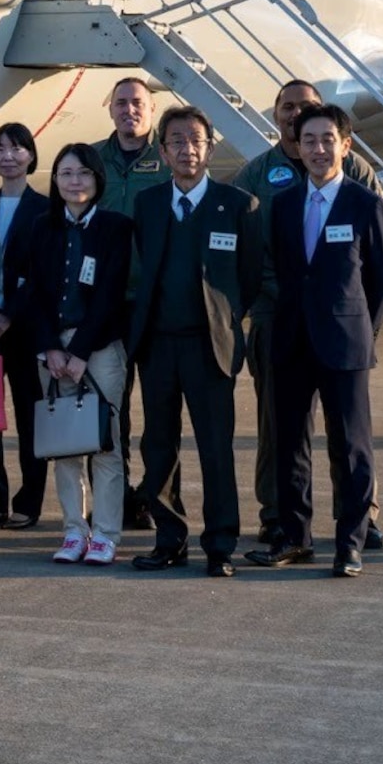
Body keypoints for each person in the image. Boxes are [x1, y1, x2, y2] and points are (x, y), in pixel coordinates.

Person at [232, 78, 383, 548]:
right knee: (285, 438)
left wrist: (360, 326)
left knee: (349, 439)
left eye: (324, 136)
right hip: (282, 327)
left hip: (341, 333)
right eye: (307, 138)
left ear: (341, 139)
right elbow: (252, 252)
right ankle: (286, 527)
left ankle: (354, 531)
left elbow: (380, 276)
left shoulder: (361, 187)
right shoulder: (269, 188)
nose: (316, 147)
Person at [127, 105, 263, 577]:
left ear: (210, 147)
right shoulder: (147, 204)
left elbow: (248, 278)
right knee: (159, 447)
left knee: (215, 449)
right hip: (158, 346)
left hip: (212, 349)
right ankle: (170, 539)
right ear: (162, 151)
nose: (187, 149)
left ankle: (221, 544)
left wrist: (226, 320)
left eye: (196, 140)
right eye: (177, 141)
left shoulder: (238, 205)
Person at [13, 143, 136, 566]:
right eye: (65, 173)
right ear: (55, 180)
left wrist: (80, 351)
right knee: (63, 445)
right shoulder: (40, 226)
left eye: (83, 173)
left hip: (99, 350)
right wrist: (50, 347)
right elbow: (32, 293)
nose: (74, 181)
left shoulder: (116, 227)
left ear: (97, 178)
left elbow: (110, 296)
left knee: (105, 444)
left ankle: (105, 533)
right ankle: (73, 530)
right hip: (52, 351)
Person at [92, 77, 174, 531]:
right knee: (108, 411)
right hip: (106, 305)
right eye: (120, 102)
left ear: (152, 107)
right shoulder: (93, 160)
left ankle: (161, 502)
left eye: (137, 103)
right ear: (110, 109)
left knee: (161, 412)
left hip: (156, 303)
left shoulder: (166, 157)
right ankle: (114, 501)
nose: (129, 110)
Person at [0, 122, 51, 529]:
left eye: (17, 147)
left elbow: (43, 276)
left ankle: (28, 502)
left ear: (31, 156)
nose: (7, 155)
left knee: (28, 415)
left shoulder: (45, 209)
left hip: (23, 326)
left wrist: (10, 314)